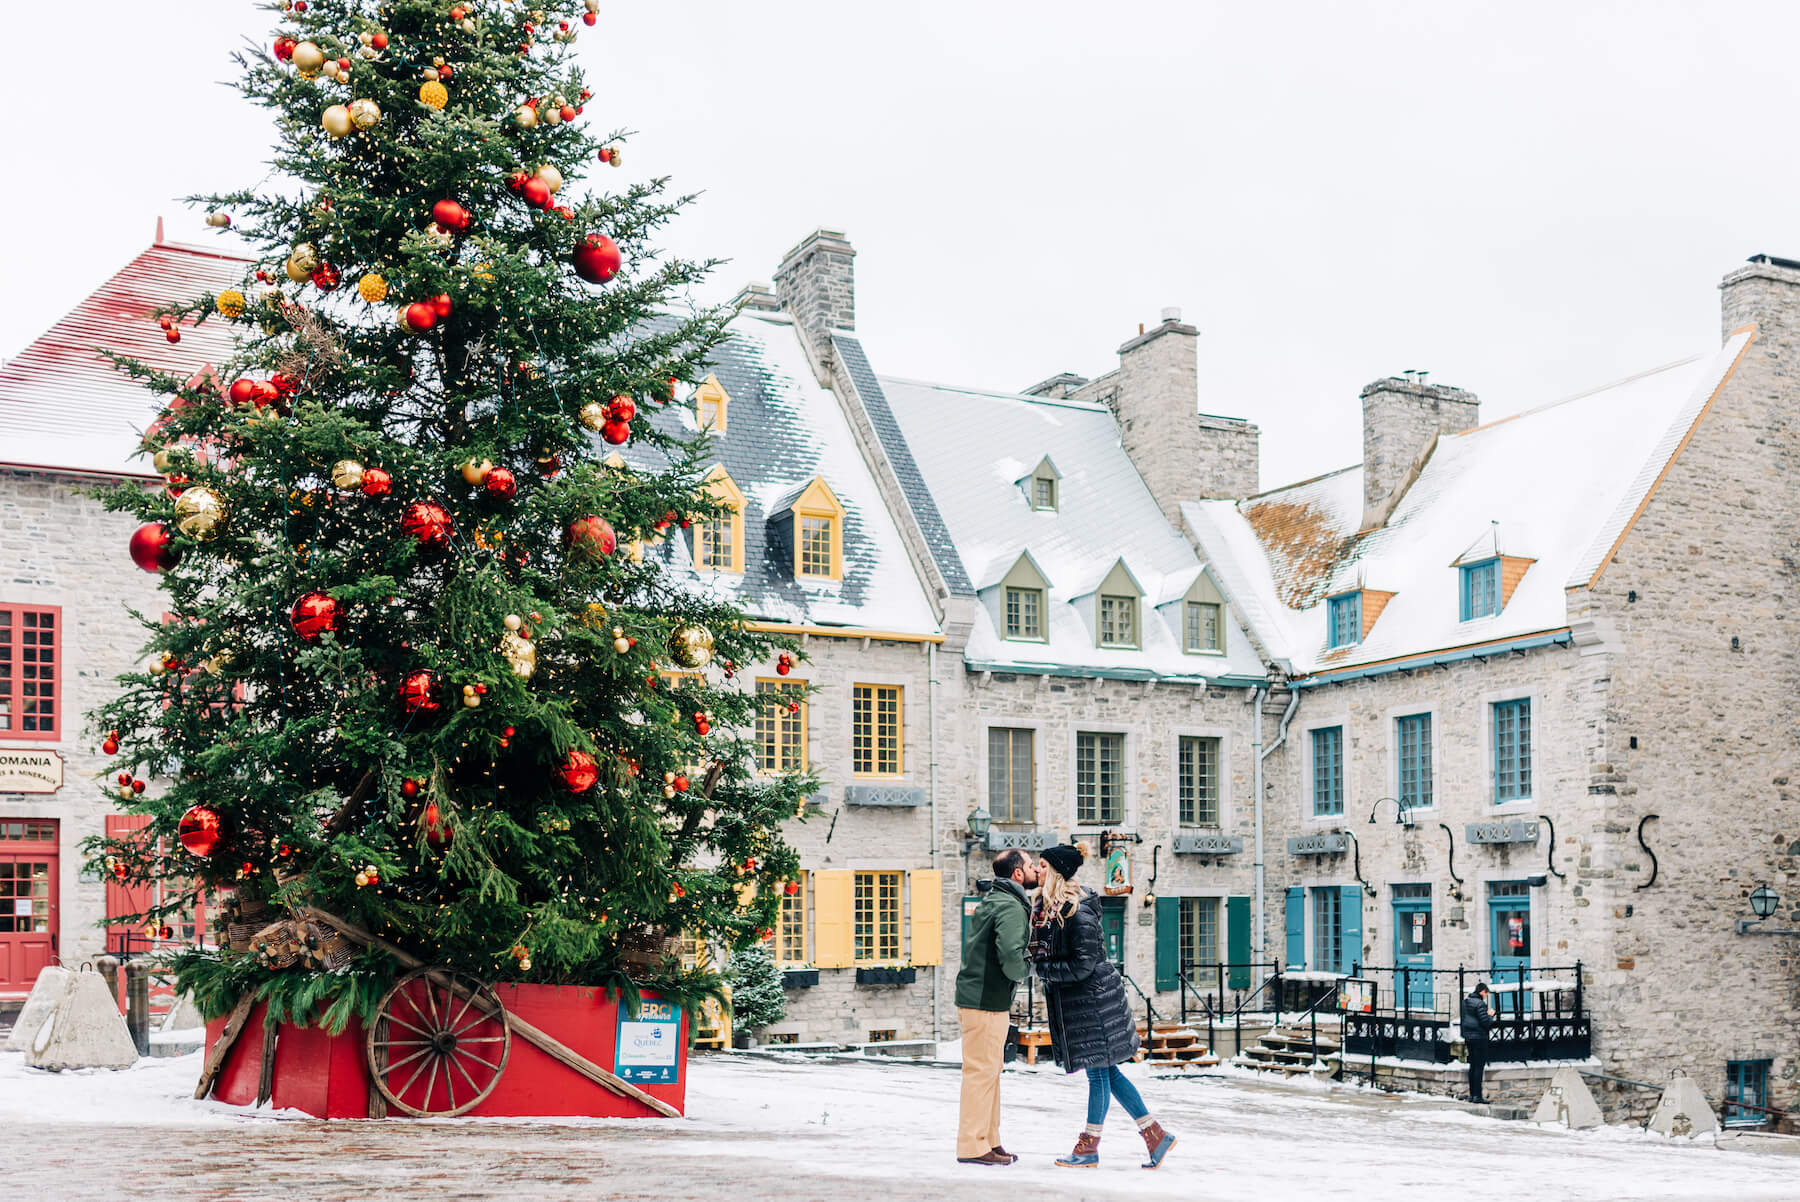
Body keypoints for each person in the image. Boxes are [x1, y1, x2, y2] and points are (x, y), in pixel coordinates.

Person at [1031, 844, 1176, 1169]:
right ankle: (1154, 1134)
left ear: (1054, 871)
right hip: (1080, 1004)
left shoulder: (1077, 910)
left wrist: (1042, 970)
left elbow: (1083, 965)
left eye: (1041, 865)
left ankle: (1089, 1147)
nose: (1037, 871)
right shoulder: (1052, 907)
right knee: (1107, 1072)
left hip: (1094, 1004)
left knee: (1099, 1075)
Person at [953, 848, 1038, 1166]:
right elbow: (1010, 955)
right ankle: (972, 1146)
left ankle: (988, 1139)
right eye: (1031, 866)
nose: (1035, 871)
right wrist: (1028, 970)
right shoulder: (1011, 906)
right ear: (1018, 873)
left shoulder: (997, 899)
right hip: (985, 1001)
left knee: (989, 1073)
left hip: (984, 999)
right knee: (980, 1073)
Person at [1460, 982, 1495, 1104]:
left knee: (1472, 1066)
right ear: (1482, 992)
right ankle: (1477, 1096)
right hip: (1479, 1038)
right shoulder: (1480, 1004)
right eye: (1486, 994)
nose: (1486, 996)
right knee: (1479, 1067)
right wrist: (1490, 1015)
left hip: (1469, 1037)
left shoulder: (1465, 1002)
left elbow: (1464, 1019)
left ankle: (1472, 1094)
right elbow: (1485, 1022)